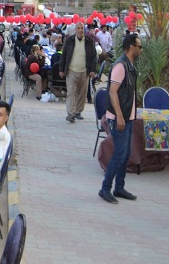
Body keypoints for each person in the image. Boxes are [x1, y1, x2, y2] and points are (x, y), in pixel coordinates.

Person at [99, 33, 142, 205]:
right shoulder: (120, 66)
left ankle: (119, 187)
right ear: (131, 47)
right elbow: (113, 91)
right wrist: (119, 116)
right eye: (139, 46)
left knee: (125, 154)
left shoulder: (129, 65)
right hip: (119, 118)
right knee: (119, 154)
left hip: (127, 116)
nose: (141, 50)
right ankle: (105, 188)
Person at [60, 21, 98, 123]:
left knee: (82, 93)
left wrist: (93, 70)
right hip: (71, 70)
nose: (80, 30)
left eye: (82, 28)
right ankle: (71, 113)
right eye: (78, 28)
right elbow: (64, 54)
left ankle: (78, 111)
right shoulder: (70, 40)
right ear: (75, 29)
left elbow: (94, 57)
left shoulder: (89, 41)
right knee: (71, 92)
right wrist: (61, 69)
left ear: (84, 29)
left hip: (84, 71)